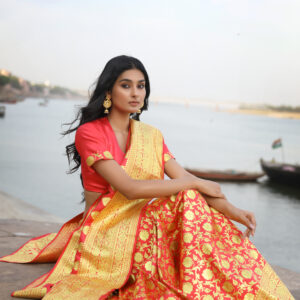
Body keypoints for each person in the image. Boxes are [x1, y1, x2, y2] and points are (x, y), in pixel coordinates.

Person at [0, 55, 294, 299]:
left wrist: (232, 210)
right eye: (126, 85)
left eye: (141, 86)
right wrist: (196, 182)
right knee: (189, 192)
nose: (135, 93)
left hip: (142, 222)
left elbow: (183, 177)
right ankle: (202, 285)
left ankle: (214, 283)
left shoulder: (151, 136)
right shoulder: (90, 133)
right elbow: (129, 188)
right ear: (108, 91)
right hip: (104, 229)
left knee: (190, 198)